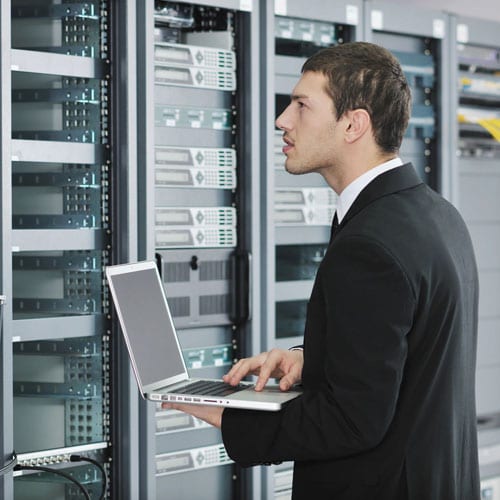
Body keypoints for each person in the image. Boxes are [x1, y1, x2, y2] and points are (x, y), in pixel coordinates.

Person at [163, 41, 481, 499]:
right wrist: (314, 357)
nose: (282, 120)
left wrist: (231, 414)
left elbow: (353, 421)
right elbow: (413, 355)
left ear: (354, 124)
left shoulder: (369, 244)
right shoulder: (436, 214)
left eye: (301, 106)